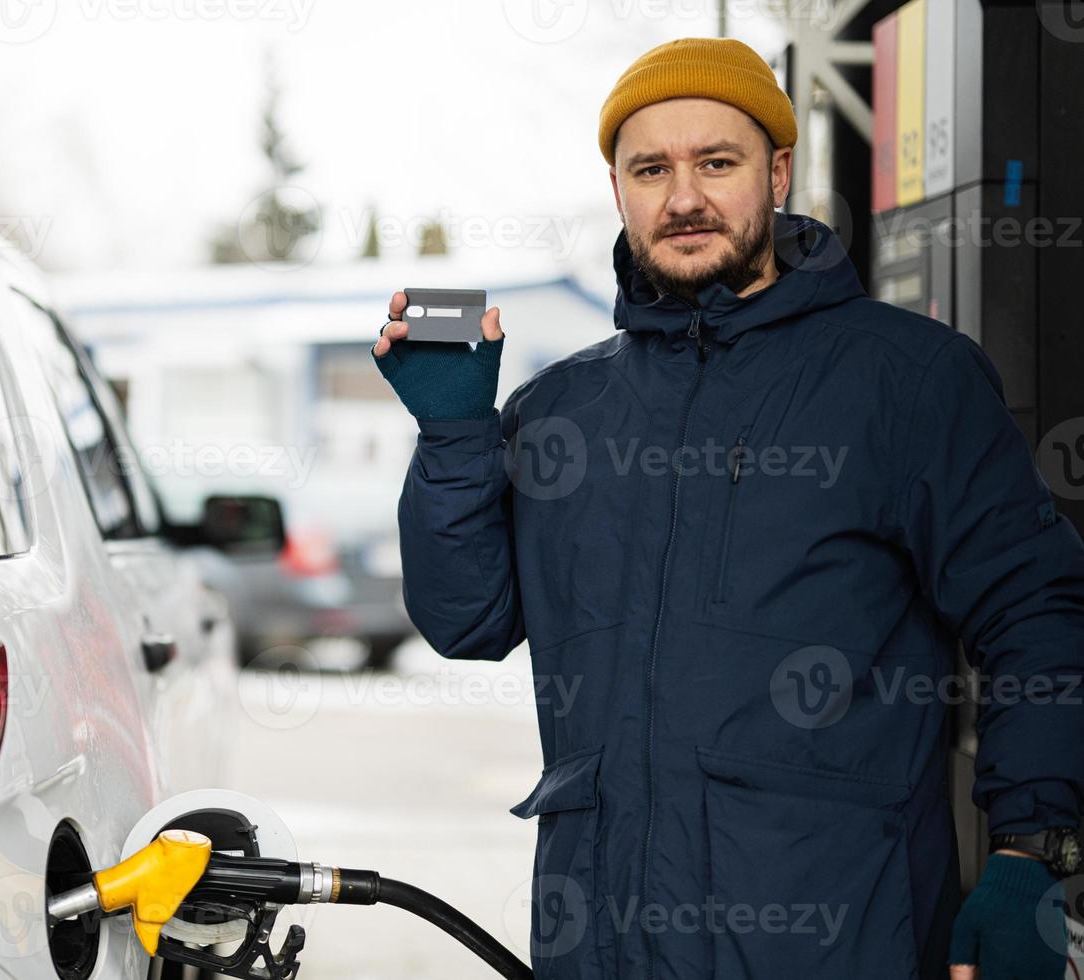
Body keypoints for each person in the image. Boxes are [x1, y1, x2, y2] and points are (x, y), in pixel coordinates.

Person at [371, 36, 1082, 980]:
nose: (685, 198)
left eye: (717, 162)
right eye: (651, 168)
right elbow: (468, 622)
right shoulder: (561, 411)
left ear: (778, 171)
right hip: (604, 941)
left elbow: (1033, 608)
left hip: (839, 937)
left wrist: (1031, 851)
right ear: (617, 187)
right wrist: (457, 438)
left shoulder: (908, 380)